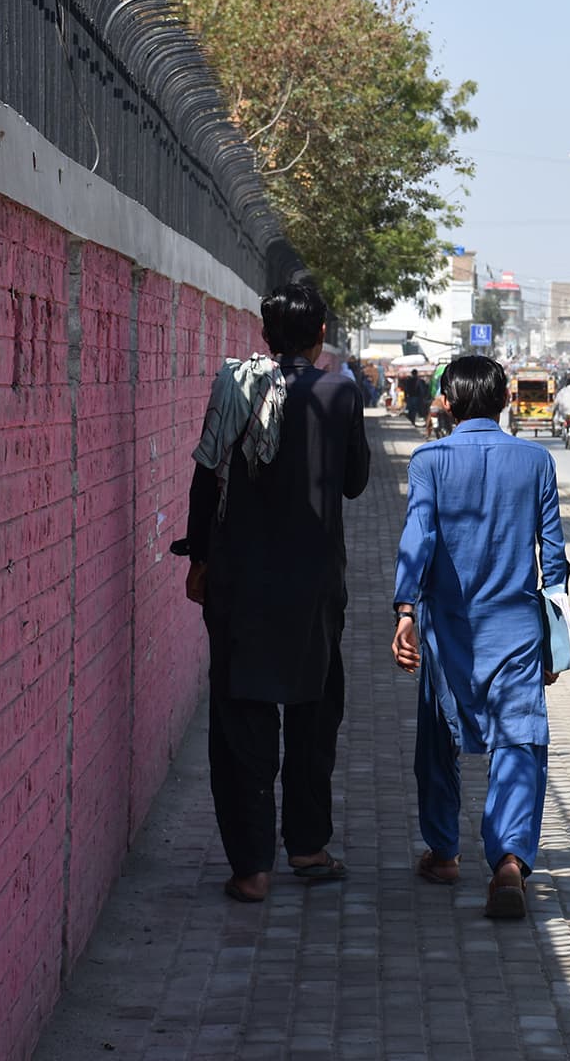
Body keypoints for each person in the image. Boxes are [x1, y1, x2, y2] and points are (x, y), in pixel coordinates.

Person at [181, 282, 370, 903]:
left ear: (266, 336)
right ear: (320, 337)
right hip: (314, 583)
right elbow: (354, 483)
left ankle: (252, 869)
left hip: (240, 578)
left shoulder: (234, 386)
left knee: (241, 719)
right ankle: (309, 848)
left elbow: (205, 479)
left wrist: (199, 558)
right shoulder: (340, 391)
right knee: (314, 713)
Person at [392, 355, 570, 920]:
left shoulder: (430, 460)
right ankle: (510, 861)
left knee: (438, 739)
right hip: (516, 629)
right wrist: (556, 640)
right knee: (519, 741)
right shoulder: (536, 461)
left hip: (448, 626)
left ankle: (444, 853)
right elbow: (555, 559)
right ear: (504, 402)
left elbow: (418, 537)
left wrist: (404, 610)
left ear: (446, 402)